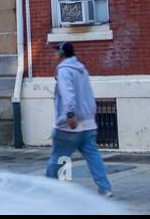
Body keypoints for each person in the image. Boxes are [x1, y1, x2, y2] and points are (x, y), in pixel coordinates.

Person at [45, 42, 113, 197]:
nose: (54, 55)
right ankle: (105, 188)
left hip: (70, 125)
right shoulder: (82, 69)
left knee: (58, 156)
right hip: (88, 123)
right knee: (93, 157)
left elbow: (68, 94)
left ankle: (48, 187)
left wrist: (70, 115)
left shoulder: (64, 71)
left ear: (62, 54)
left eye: (56, 52)